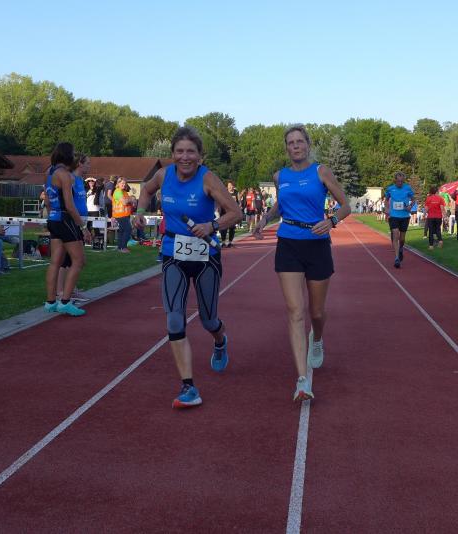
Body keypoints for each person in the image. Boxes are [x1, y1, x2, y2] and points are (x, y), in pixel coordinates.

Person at [134, 126, 241, 408]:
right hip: (173, 253)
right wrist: (140, 212)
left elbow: (236, 213)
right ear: (172, 154)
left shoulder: (208, 179)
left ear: (200, 156)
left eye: (191, 152)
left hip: (206, 256)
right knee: (174, 318)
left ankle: (220, 340)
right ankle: (188, 386)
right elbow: (146, 191)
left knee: (208, 320)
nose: (185, 157)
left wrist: (212, 225)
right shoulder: (163, 175)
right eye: (180, 151)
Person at [253, 124, 351, 402]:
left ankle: (316, 339)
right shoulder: (279, 176)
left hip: (317, 244)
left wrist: (331, 221)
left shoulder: (321, 172)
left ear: (308, 144)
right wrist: (264, 219)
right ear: (286, 148)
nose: (295, 146)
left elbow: (345, 205)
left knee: (316, 313)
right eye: (291, 142)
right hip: (288, 244)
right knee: (295, 311)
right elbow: (281, 205)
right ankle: (301, 380)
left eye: (300, 141)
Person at [43, 142, 89, 316]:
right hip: (65, 219)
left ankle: (50, 302)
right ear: (68, 155)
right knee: (78, 260)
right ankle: (65, 301)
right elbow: (70, 205)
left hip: (54, 218)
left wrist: (52, 216)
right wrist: (82, 226)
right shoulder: (65, 175)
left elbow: (47, 200)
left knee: (55, 261)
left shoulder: (49, 172)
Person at [56, 154, 92, 301]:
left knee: (74, 260)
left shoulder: (80, 180)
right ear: (79, 164)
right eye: (87, 163)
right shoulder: (70, 179)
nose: (89, 166)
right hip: (72, 221)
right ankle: (62, 292)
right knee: (70, 259)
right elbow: (68, 203)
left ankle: (69, 289)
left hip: (80, 221)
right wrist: (81, 225)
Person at [384, 171, 415, 268]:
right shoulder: (390, 189)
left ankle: (401, 248)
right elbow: (386, 200)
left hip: (404, 216)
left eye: (402, 181)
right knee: (395, 234)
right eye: (398, 181)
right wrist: (387, 208)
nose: (400, 183)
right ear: (395, 180)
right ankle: (397, 258)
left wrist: (410, 206)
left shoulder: (407, 188)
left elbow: (413, 199)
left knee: (402, 239)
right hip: (394, 215)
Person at [112, 177, 133, 253]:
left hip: (125, 214)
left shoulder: (124, 192)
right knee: (128, 229)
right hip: (120, 215)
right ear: (118, 184)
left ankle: (120, 247)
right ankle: (123, 247)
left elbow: (130, 202)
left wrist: (130, 200)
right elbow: (125, 202)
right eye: (122, 183)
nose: (124, 185)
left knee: (122, 231)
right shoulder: (118, 191)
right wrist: (131, 199)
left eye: (125, 183)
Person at [219, 180, 240, 247]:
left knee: (232, 228)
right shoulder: (224, 192)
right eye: (229, 186)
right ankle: (223, 242)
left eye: (231, 185)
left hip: (233, 213)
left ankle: (230, 242)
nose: (230, 187)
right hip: (224, 212)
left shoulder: (236, 193)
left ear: (233, 186)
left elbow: (239, 202)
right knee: (223, 228)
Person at [424, 186, 445, 250]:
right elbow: (442, 208)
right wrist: (444, 215)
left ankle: (431, 246)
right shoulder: (440, 198)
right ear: (436, 191)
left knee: (431, 231)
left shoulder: (428, 198)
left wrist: (424, 214)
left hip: (431, 216)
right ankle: (440, 241)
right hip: (438, 216)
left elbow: (426, 208)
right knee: (438, 229)